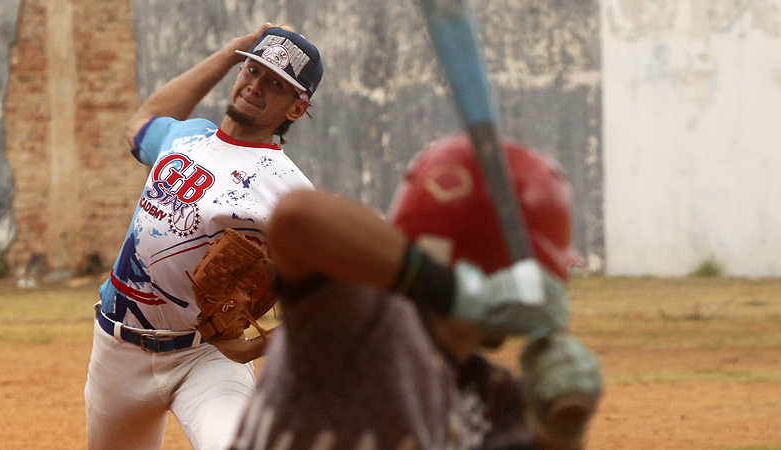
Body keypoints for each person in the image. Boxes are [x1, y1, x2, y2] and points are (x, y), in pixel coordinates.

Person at [228, 135, 603, 450]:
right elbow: (298, 216)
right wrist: (459, 294)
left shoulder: (489, 396)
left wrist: (558, 434)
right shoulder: (359, 319)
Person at [84, 24, 323, 450]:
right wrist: (231, 51)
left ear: (296, 107)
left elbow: (342, 296)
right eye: (253, 70)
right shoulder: (187, 134)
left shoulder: (290, 193)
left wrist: (255, 348)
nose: (256, 86)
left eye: (276, 83)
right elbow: (140, 122)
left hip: (204, 358)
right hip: (116, 352)